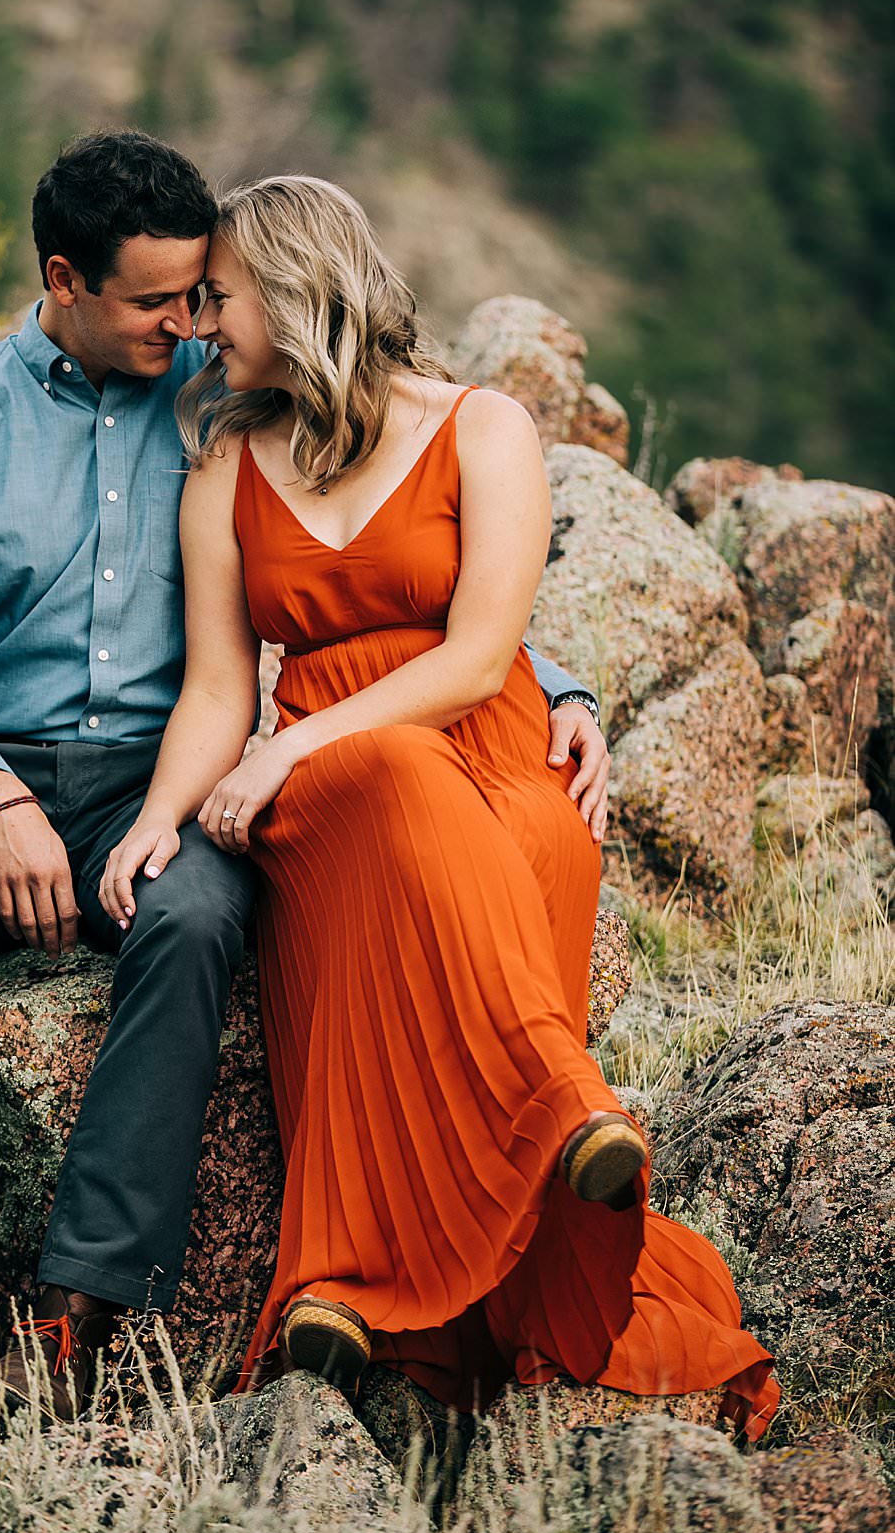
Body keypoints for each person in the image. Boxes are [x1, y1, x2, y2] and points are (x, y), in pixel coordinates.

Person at [0, 130, 612, 1422]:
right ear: (65, 280)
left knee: (190, 919)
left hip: (166, 767)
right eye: (155, 300)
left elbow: (386, 556)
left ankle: (83, 1298)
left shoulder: (221, 390)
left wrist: (554, 685)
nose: (185, 321)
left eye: (200, 296)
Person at [99, 174, 779, 1439]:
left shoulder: (485, 427)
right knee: (396, 784)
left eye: (222, 297)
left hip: (488, 743)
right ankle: (550, 1114)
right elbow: (210, 688)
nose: (201, 323)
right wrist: (164, 811)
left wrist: (289, 746)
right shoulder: (224, 467)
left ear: (300, 293)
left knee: (533, 839)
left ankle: (373, 1291)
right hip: (335, 780)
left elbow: (477, 656)